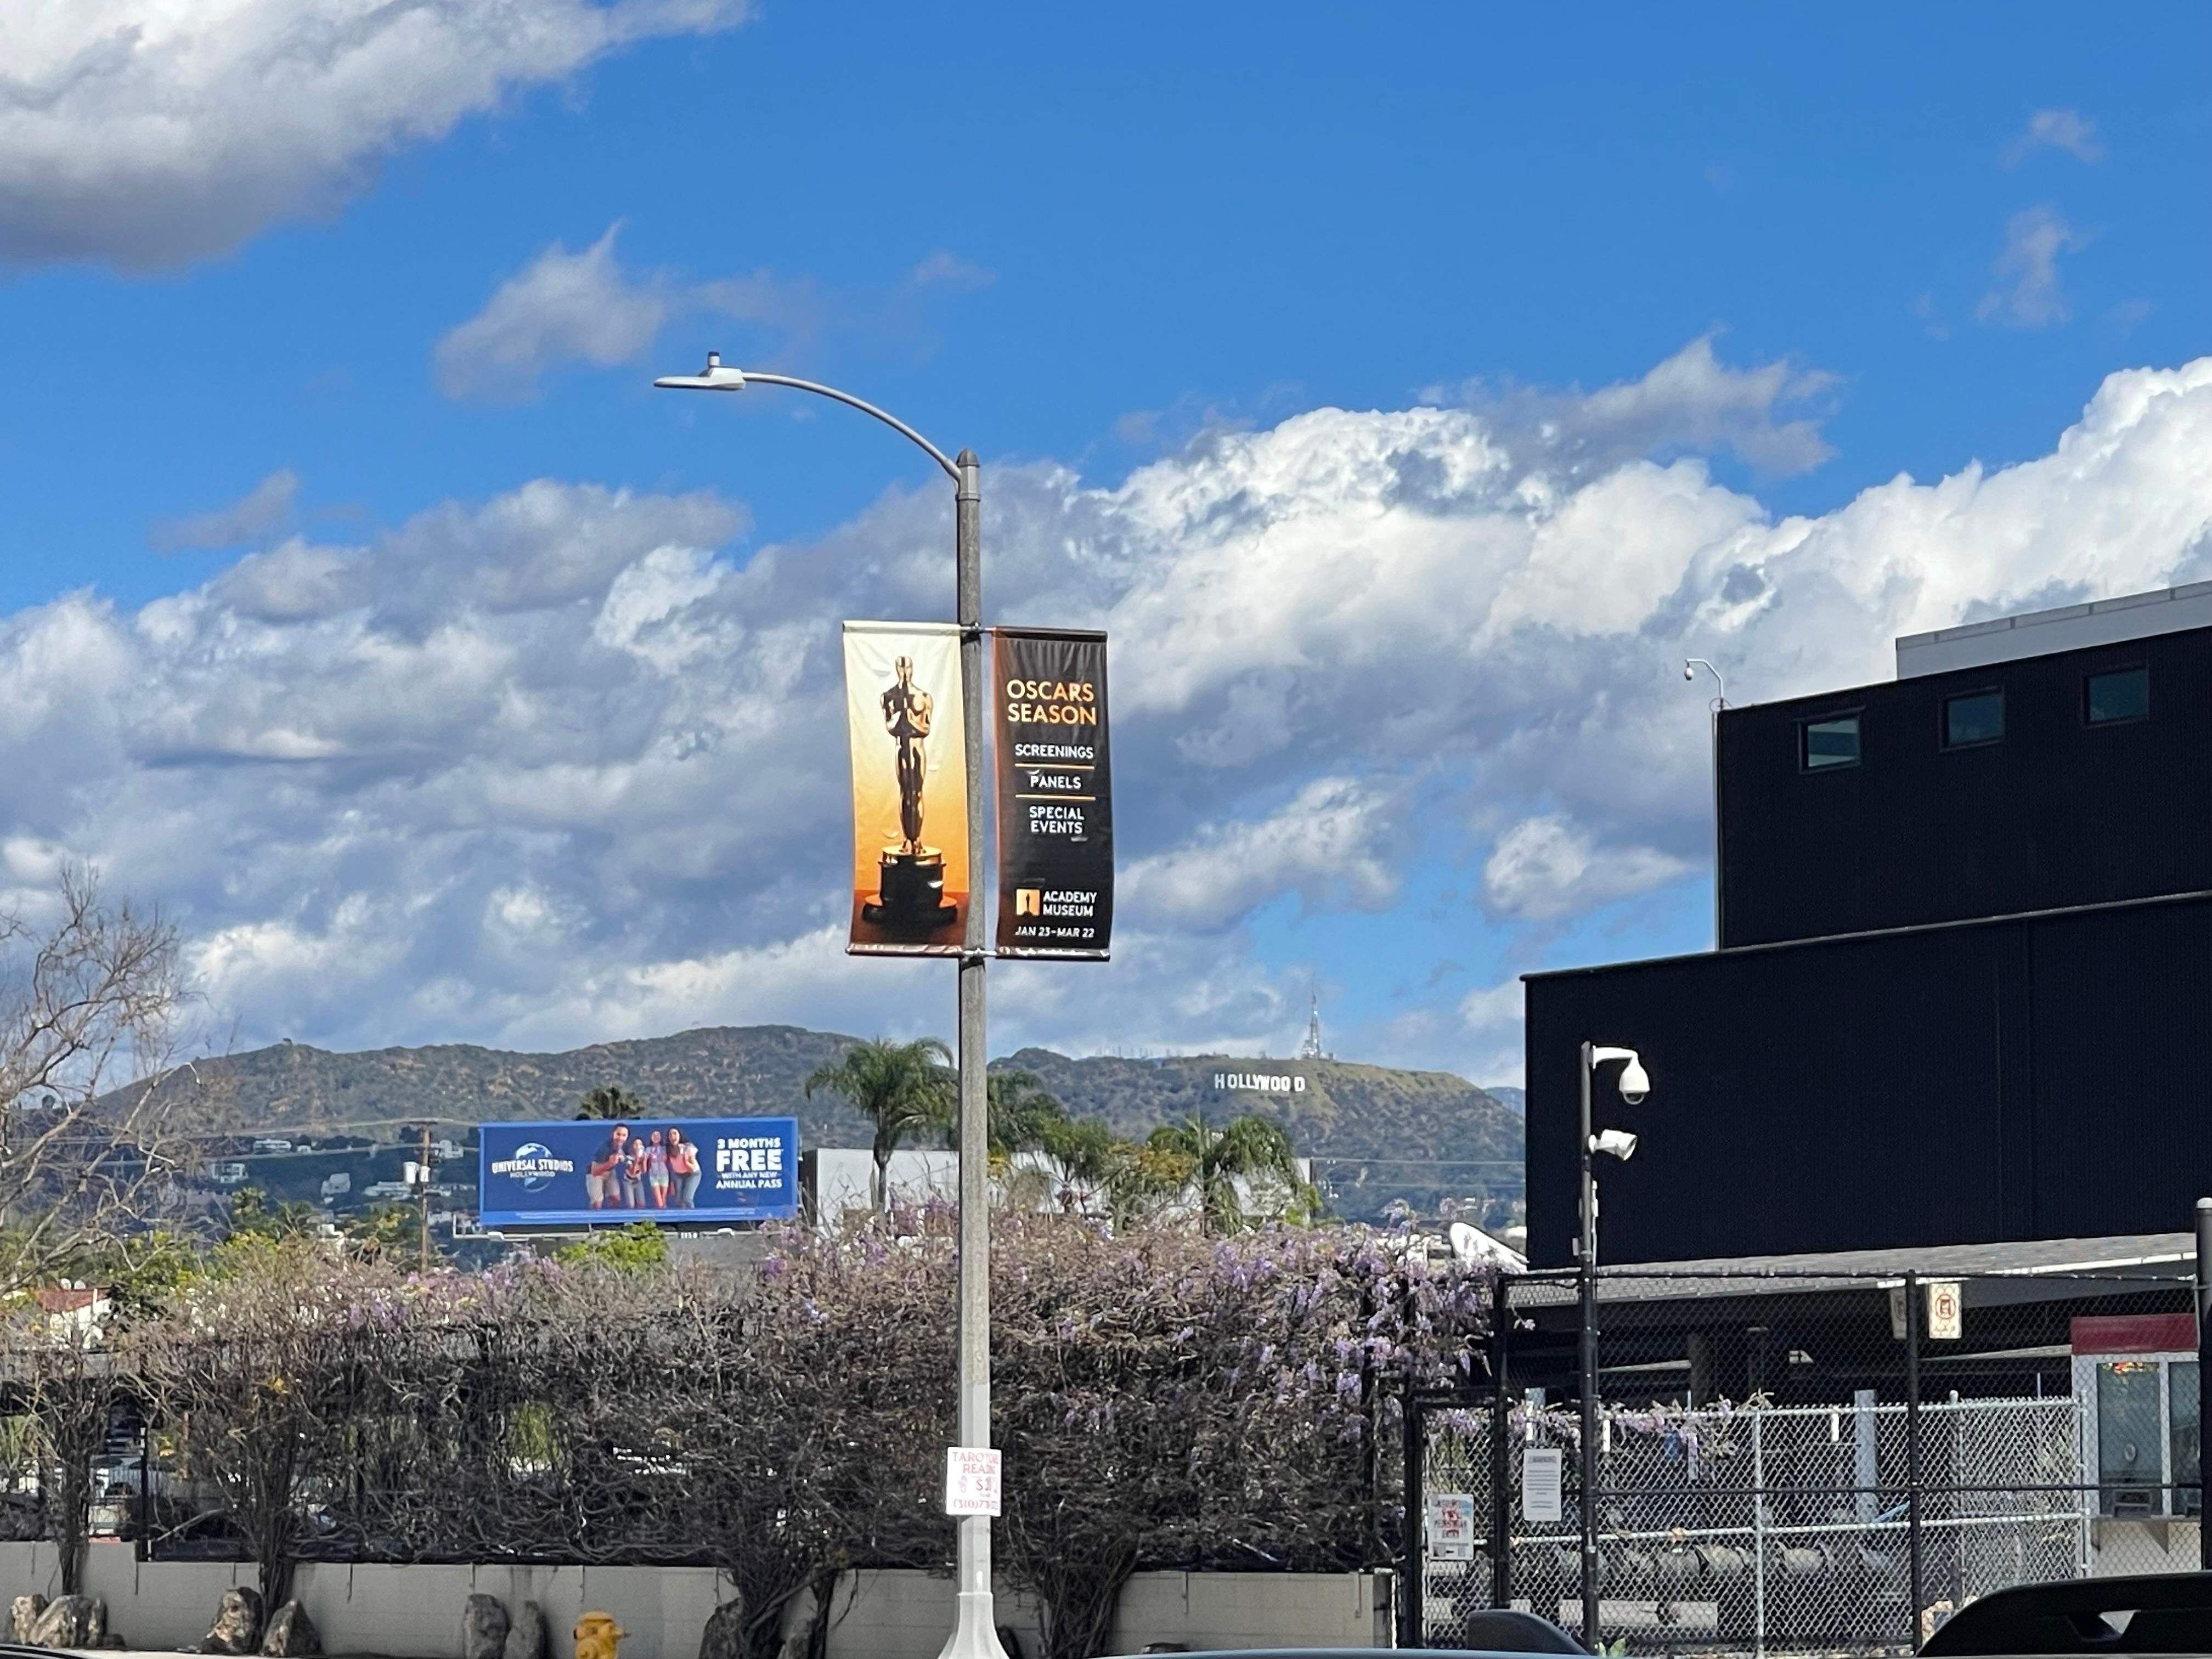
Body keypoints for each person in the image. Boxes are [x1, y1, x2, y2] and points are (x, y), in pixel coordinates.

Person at [585, 1124, 630, 1209]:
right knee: (597, 1204)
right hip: (595, 1174)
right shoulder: (604, 1148)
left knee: (616, 1199)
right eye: (618, 1134)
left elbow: (630, 1163)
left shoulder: (625, 1146)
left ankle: (614, 1217)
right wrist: (610, 1163)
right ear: (613, 1134)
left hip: (610, 1171)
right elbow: (594, 1171)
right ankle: (595, 1218)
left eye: (624, 1135)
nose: (620, 1138)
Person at [667, 1128, 702, 1209]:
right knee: (679, 1201)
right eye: (670, 1135)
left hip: (692, 1174)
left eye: (675, 1134)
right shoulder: (668, 1150)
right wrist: (671, 1183)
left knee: (687, 1199)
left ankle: (692, 1216)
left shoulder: (688, 1148)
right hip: (678, 1175)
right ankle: (681, 1216)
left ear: (680, 1136)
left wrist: (685, 1161)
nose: (673, 1137)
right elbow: (672, 1168)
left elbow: (693, 1169)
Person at [644, 1128, 672, 1210]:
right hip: (654, 1175)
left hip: (664, 1175)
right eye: (654, 1135)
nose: (656, 1137)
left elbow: (669, 1163)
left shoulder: (665, 1149)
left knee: (664, 1201)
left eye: (658, 1135)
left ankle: (664, 1217)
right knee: (659, 1202)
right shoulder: (648, 1149)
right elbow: (645, 1160)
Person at [622, 1136, 648, 1210]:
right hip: (628, 1182)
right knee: (631, 1205)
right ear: (632, 1146)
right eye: (636, 1144)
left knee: (642, 1204)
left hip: (638, 1181)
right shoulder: (627, 1158)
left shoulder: (642, 1157)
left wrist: (645, 1160)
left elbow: (644, 1171)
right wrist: (637, 1159)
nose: (638, 1147)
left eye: (640, 1144)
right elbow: (633, 1172)